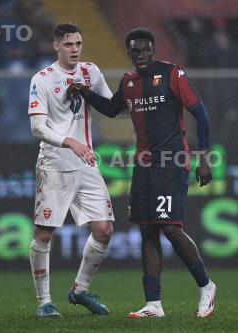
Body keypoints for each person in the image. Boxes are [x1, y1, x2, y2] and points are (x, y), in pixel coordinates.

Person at [67, 27, 216, 318]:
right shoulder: (130, 81)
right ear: (130, 53)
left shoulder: (172, 74)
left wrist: (205, 157)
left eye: (146, 49)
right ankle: (153, 304)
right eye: (136, 51)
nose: (142, 55)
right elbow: (112, 109)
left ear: (154, 49)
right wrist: (86, 92)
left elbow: (201, 113)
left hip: (172, 162)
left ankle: (206, 286)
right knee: (148, 230)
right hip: (144, 164)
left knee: (170, 228)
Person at [28, 22, 114, 318]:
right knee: (44, 233)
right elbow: (38, 127)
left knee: (104, 230)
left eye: (78, 44)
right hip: (54, 164)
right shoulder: (42, 79)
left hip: (85, 163)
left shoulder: (92, 71)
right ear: (56, 46)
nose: (75, 49)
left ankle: (79, 290)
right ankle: (44, 302)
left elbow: (111, 106)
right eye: (68, 44)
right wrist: (70, 142)